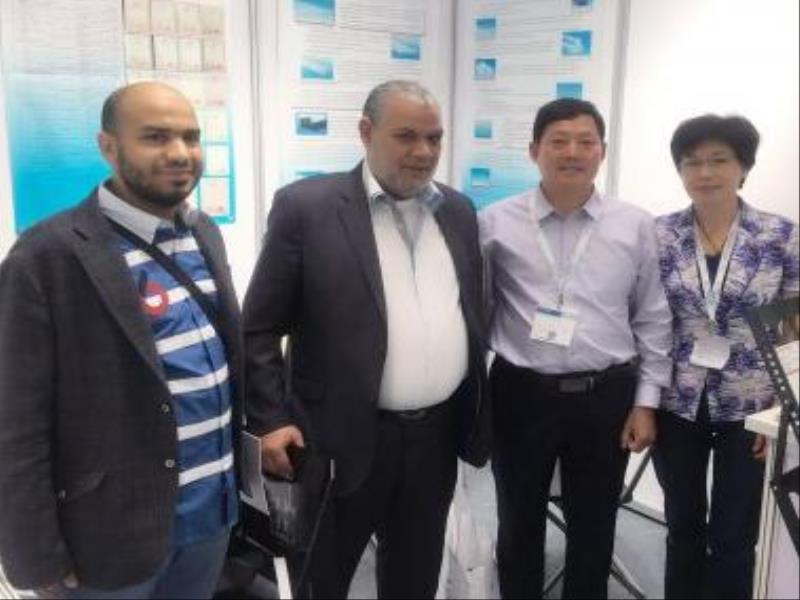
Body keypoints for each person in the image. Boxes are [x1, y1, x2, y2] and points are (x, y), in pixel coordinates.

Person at [243, 79, 490, 599]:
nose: (423, 152)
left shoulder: (459, 211)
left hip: (435, 439)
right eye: (406, 136)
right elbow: (258, 328)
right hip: (337, 439)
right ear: (365, 131)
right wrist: (269, 419)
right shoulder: (306, 209)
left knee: (415, 578)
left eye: (434, 138)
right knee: (323, 581)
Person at [0, 82, 243, 599]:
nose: (180, 153)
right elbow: (16, 421)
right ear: (108, 146)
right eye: (155, 137)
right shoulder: (47, 255)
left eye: (191, 137)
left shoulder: (203, 232)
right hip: (108, 536)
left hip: (211, 517)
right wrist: (33, 553)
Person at [479, 97, 672, 599]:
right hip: (520, 393)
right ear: (534, 151)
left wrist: (646, 403)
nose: (572, 152)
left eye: (586, 142)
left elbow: (652, 317)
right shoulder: (495, 223)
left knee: (595, 522)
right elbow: (477, 311)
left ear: (602, 152)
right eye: (559, 141)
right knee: (517, 518)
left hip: (605, 395)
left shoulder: (635, 225)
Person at [653, 114, 799, 599]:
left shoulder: (781, 236)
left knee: (735, 536)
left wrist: (780, 413)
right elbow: (648, 323)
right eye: (692, 162)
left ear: (744, 167)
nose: (705, 172)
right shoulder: (659, 235)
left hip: (752, 405)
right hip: (678, 401)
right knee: (682, 528)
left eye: (719, 160)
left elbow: (796, 330)